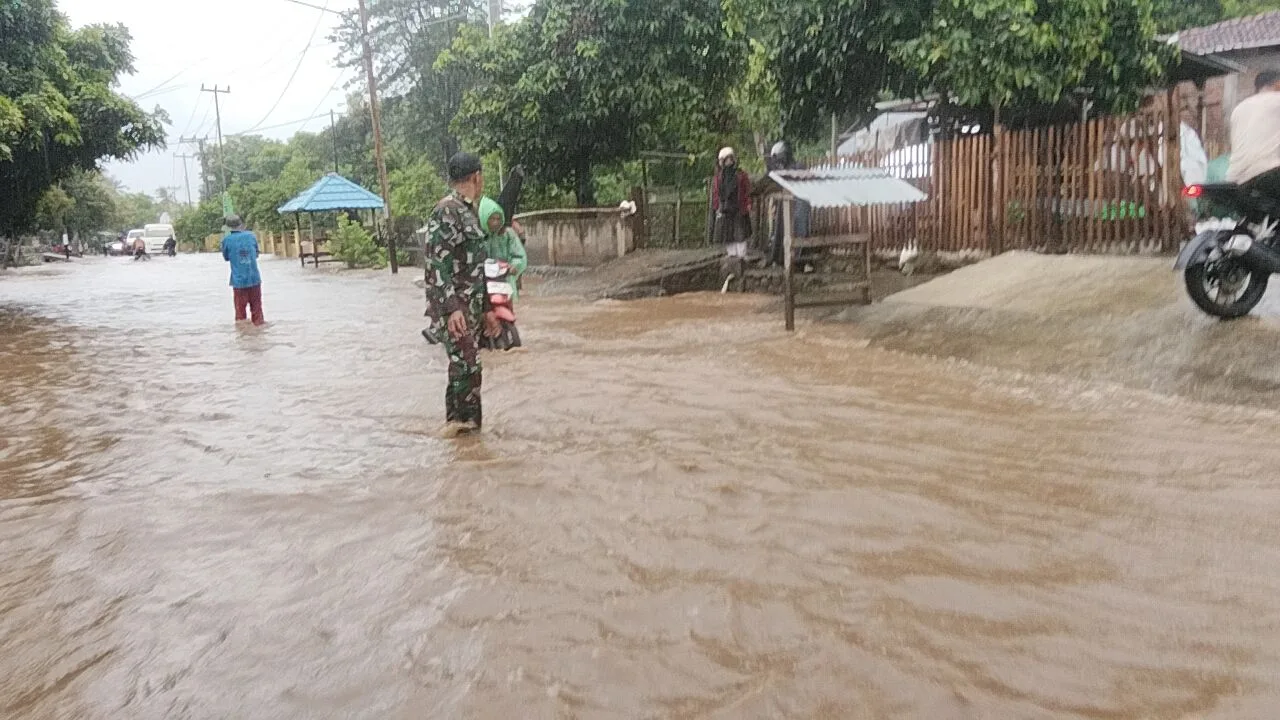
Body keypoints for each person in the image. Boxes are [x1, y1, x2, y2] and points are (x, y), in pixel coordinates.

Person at [423, 152, 500, 436]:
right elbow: (436, 265)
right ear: (476, 177)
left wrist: (487, 308)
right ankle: (463, 430)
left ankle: (461, 434)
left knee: (467, 367)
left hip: (471, 305)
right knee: (467, 366)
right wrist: (452, 309)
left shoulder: (468, 212)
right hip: (456, 308)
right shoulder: (447, 211)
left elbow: (477, 267)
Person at [478, 196, 527, 351]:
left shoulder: (508, 234)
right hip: (483, 282)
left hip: (504, 280)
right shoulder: (478, 236)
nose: (495, 222)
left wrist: (514, 266)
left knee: (508, 304)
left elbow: (519, 255)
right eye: (492, 219)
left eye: (498, 218)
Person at [1227, 69, 1280, 197]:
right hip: (1269, 173)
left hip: (1236, 177)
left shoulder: (1238, 108)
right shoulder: (1277, 100)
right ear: (1278, 84)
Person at [220, 215, 265, 326]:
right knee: (257, 311)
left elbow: (226, 257)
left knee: (240, 314)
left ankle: (243, 334)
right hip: (254, 279)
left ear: (228, 227)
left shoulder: (226, 240)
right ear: (241, 224)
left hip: (238, 281)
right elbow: (256, 254)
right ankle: (259, 332)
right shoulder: (251, 236)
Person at [711, 147, 753, 259]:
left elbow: (747, 190)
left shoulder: (741, 175)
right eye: (727, 159)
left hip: (739, 207)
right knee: (727, 233)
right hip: (725, 209)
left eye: (731, 158)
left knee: (741, 232)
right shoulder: (719, 177)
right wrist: (717, 207)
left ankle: (742, 255)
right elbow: (716, 193)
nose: (729, 161)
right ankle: (731, 254)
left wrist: (748, 203)